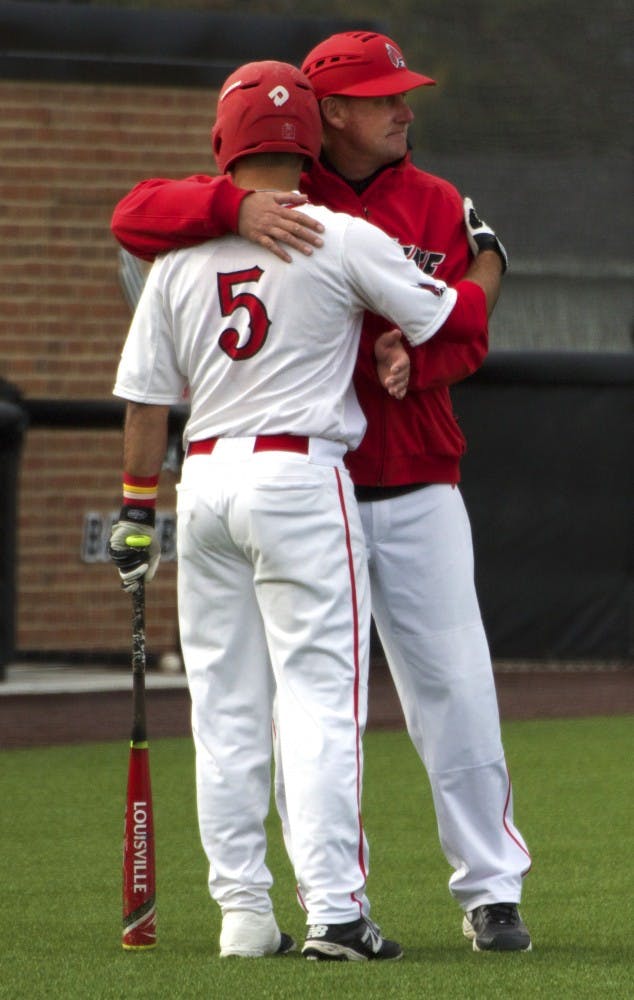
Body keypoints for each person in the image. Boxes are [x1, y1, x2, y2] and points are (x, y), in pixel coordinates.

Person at [110, 31, 533, 953]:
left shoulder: (431, 198)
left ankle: (489, 891)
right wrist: (235, 204)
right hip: (312, 487)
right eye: (383, 96)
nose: (404, 108)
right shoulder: (263, 203)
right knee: (303, 702)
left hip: (411, 477)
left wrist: (415, 357)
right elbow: (132, 215)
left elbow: (470, 313)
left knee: (450, 691)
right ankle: (327, 904)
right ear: (325, 113)